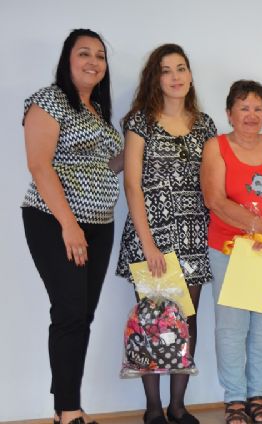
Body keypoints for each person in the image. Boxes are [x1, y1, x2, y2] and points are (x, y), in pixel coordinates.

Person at [21, 29, 123, 424]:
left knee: (82, 315)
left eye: (100, 55)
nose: (93, 61)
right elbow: (39, 165)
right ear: (68, 59)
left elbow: (107, 163)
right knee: (69, 313)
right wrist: (69, 225)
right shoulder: (49, 100)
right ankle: (67, 411)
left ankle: (68, 405)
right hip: (55, 221)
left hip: (100, 224)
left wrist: (136, 145)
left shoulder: (96, 109)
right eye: (85, 53)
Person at [115, 44, 216, 424]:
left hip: (193, 235)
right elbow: (132, 185)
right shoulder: (139, 120)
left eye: (181, 68)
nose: (175, 76)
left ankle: (178, 405)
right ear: (155, 78)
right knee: (154, 321)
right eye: (166, 70)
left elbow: (216, 175)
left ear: (190, 75)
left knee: (185, 322)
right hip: (151, 235)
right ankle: (153, 408)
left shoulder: (205, 124)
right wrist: (148, 244)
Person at [201, 80, 262, 424]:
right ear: (229, 113)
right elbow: (214, 199)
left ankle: (257, 396)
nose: (251, 115)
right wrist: (259, 227)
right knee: (231, 327)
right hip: (231, 249)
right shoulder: (216, 146)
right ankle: (235, 400)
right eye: (243, 107)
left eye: (258, 108)